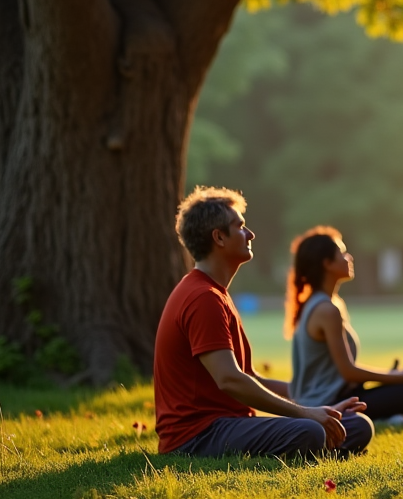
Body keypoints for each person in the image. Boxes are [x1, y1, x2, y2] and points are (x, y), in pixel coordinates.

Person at [154, 187, 373, 457]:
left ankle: (323, 447)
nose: (250, 234)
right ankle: (322, 449)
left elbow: (249, 377)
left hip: (229, 425)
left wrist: (318, 404)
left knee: (357, 425)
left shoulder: (215, 293)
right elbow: (230, 380)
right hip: (197, 436)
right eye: (241, 226)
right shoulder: (202, 297)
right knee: (310, 431)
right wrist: (306, 413)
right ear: (219, 237)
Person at [287, 226, 403, 427]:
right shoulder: (326, 310)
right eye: (341, 253)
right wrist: (400, 377)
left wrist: (393, 376)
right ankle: (376, 420)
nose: (349, 257)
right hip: (329, 404)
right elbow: (348, 372)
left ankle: (390, 417)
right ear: (327, 264)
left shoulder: (322, 303)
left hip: (341, 395)